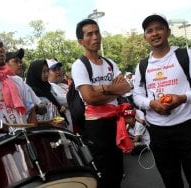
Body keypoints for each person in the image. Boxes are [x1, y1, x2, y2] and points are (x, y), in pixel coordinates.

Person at [133, 14, 191, 188]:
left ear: (168, 32)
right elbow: (137, 95)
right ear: (145, 36)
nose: (154, 33)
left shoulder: (186, 55)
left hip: (187, 128)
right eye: (149, 30)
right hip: (159, 132)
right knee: (170, 180)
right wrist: (151, 104)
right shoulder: (142, 65)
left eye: (159, 28)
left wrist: (183, 98)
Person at [71, 18, 131, 188]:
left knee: (118, 171)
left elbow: (125, 87)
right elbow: (89, 98)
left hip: (116, 123)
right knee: (103, 176)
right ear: (81, 41)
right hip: (96, 128)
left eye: (97, 32)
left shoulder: (110, 63)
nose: (95, 37)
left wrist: (102, 89)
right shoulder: (79, 65)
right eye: (89, 34)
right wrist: (113, 89)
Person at [5, 48, 47, 125]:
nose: (20, 64)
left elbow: (43, 108)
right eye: (15, 61)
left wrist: (34, 108)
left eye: (20, 62)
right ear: (5, 64)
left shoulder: (24, 85)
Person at [26, 59, 67, 127]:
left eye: (47, 71)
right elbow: (28, 118)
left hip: (55, 129)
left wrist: (59, 108)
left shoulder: (47, 87)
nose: (47, 74)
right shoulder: (29, 91)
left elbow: (55, 101)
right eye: (43, 71)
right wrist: (47, 123)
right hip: (40, 132)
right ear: (36, 73)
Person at [47, 58, 73, 131]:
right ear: (47, 72)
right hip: (62, 127)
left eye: (59, 69)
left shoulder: (63, 85)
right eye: (54, 70)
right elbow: (65, 101)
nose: (58, 72)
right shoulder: (49, 86)